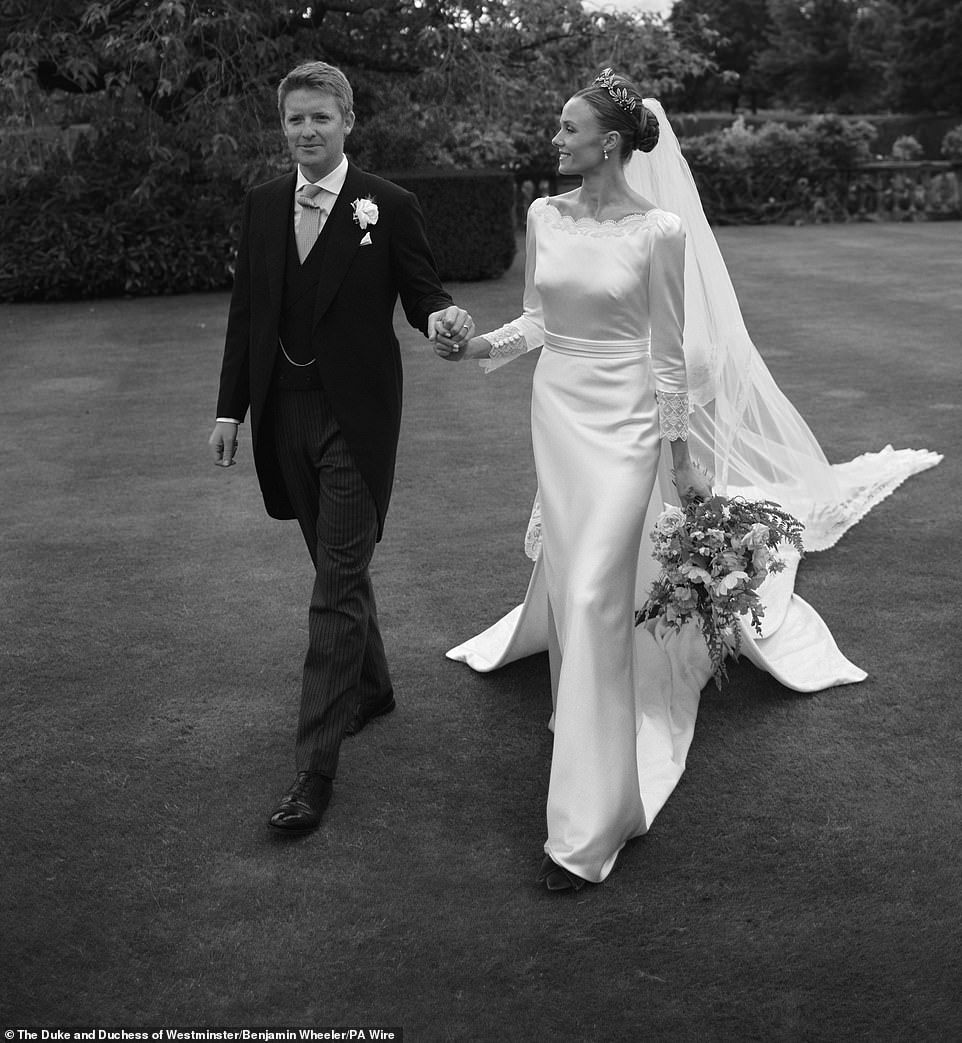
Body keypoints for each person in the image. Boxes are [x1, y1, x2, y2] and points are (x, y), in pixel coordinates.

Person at [437, 70, 941, 892]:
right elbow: (536, 318)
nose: (554, 141)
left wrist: (680, 457)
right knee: (574, 584)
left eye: (568, 129)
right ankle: (583, 732)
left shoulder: (659, 230)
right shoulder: (543, 215)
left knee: (601, 588)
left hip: (630, 423)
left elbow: (668, 354)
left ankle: (586, 830)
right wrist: (477, 347)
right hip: (557, 414)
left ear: (609, 142)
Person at [210, 61, 473, 833]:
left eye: (320, 116)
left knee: (333, 589)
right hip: (280, 415)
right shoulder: (262, 205)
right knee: (334, 566)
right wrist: (229, 411)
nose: (306, 130)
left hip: (354, 421)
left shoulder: (386, 206)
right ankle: (376, 687)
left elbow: (424, 294)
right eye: (294, 119)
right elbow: (245, 315)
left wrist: (444, 321)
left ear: (348, 119)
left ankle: (311, 772)